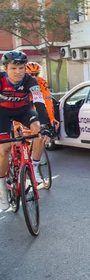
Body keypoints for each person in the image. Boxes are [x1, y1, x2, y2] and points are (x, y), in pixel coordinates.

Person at [0, 51, 51, 210]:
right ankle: (1, 189)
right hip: (2, 113)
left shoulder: (30, 81)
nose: (18, 72)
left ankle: (34, 169)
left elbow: (40, 103)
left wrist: (45, 127)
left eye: (21, 68)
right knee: (4, 149)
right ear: (6, 68)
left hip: (24, 111)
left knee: (39, 133)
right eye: (14, 68)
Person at [25, 62, 59, 131]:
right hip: (25, 103)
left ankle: (43, 128)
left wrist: (52, 118)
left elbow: (48, 99)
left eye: (36, 74)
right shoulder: (20, 82)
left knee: (41, 107)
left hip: (36, 102)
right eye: (31, 74)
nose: (34, 77)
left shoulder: (42, 82)